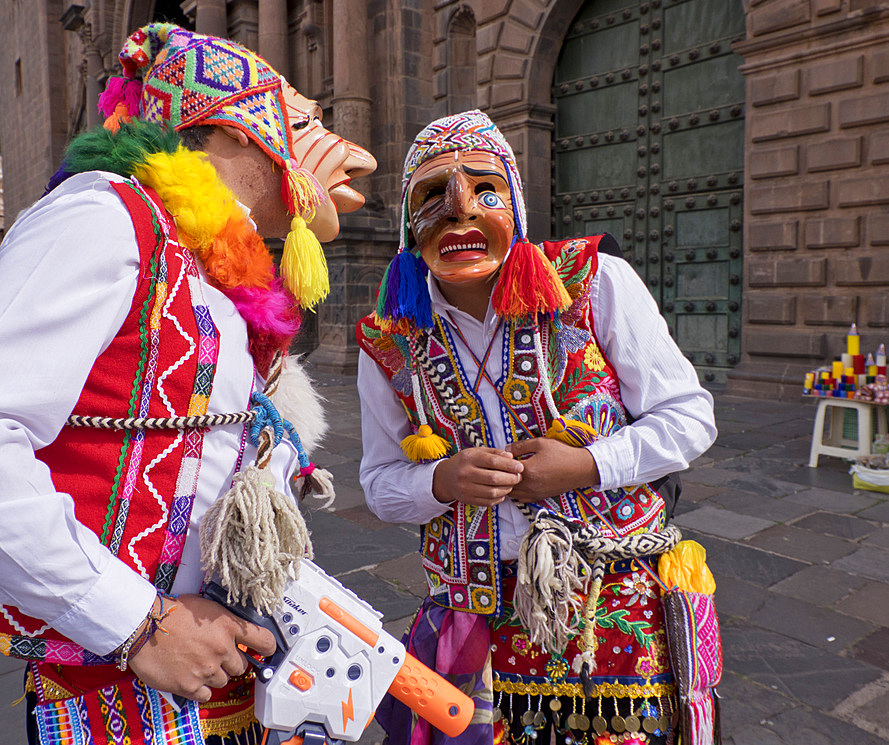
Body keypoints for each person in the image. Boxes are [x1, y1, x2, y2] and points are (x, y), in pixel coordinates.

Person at [0, 24, 375, 744]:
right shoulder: (105, 216)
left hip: (210, 684)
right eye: (302, 123)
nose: (351, 155)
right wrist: (138, 624)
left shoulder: (208, 271)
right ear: (234, 132)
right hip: (115, 693)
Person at [356, 111, 716, 745]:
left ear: (516, 206)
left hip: (609, 603)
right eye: (433, 195)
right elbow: (381, 485)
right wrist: (443, 480)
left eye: (484, 189)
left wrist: (585, 466)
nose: (460, 211)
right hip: (475, 616)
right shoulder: (390, 341)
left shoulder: (594, 284)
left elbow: (689, 419)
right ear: (409, 226)